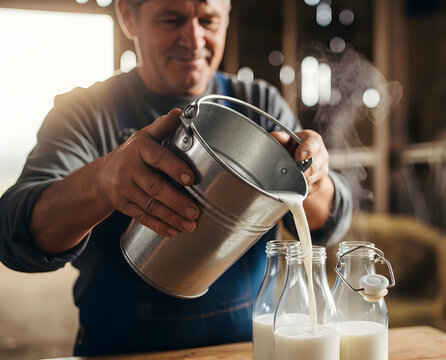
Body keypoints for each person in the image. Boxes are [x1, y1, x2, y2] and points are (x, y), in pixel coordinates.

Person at [0, 0, 352, 356]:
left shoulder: (258, 103)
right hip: (119, 352)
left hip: (242, 352)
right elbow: (15, 234)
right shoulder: (85, 113)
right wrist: (103, 181)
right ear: (127, 16)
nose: (194, 37)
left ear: (227, 17)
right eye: (172, 19)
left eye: (209, 20)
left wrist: (315, 177)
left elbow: (328, 221)